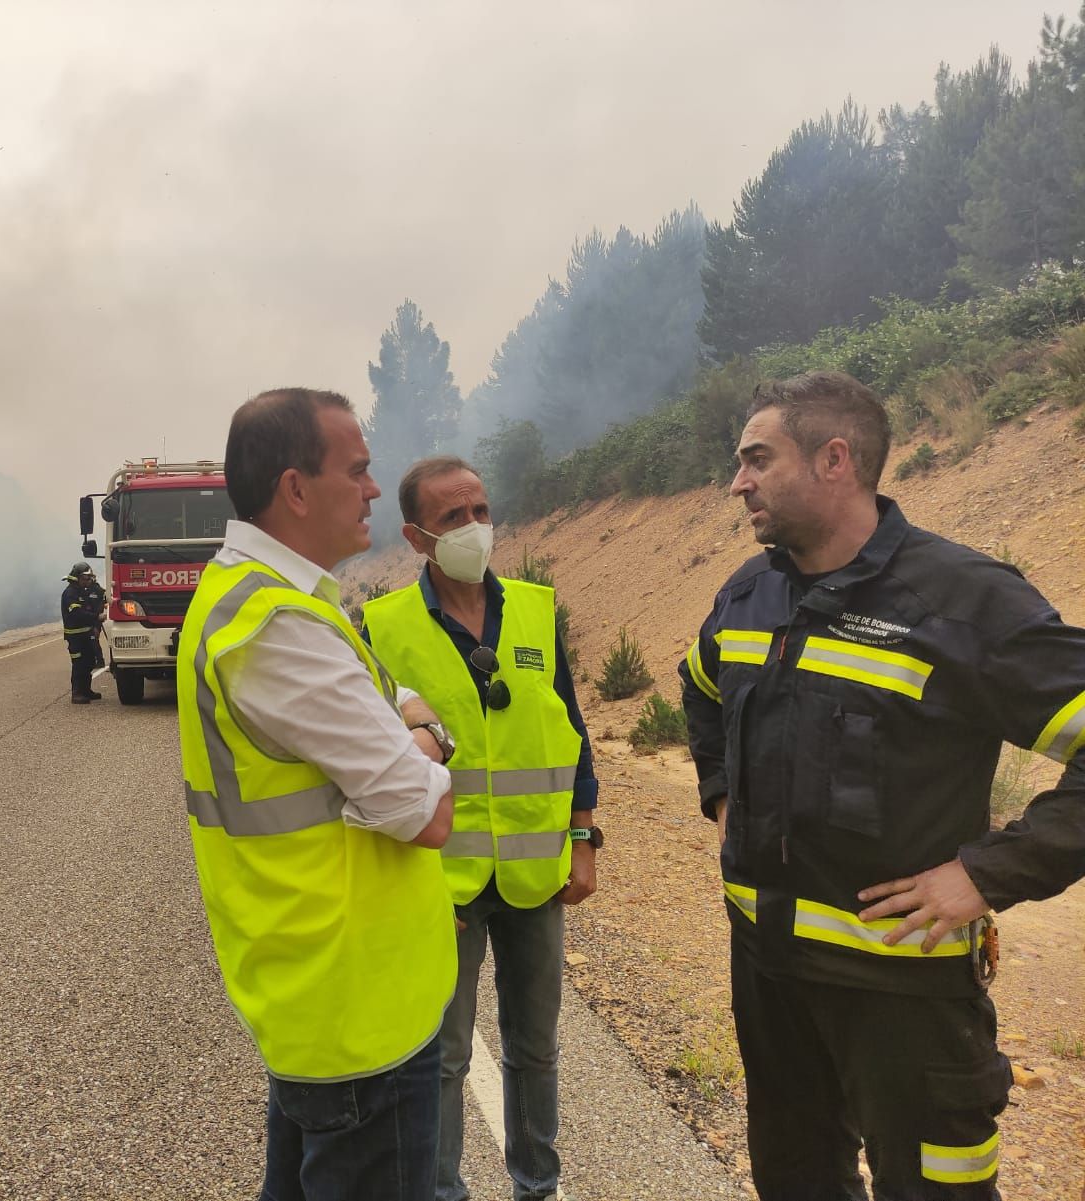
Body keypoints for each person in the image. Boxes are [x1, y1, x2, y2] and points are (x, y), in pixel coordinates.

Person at [678, 370, 1085, 1200]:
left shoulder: (965, 600)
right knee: (795, 1181)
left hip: (905, 995)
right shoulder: (750, 593)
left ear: (835, 459)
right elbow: (701, 683)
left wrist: (985, 873)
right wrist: (722, 791)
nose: (737, 483)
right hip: (770, 978)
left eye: (757, 459)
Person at [176, 388, 459, 1201]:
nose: (375, 488)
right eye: (359, 470)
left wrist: (403, 720)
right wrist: (432, 736)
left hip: (324, 1000)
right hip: (357, 1018)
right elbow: (425, 811)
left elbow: (382, 701)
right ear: (296, 489)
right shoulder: (279, 627)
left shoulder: (266, 596)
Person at [361, 456, 599, 1201]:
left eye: (481, 510)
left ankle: (538, 1184)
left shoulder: (534, 608)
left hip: (536, 871)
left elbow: (572, 729)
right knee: (444, 1057)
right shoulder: (381, 626)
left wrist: (585, 837)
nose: (474, 528)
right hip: (443, 882)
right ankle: (442, 1191)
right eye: (453, 518)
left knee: (536, 1048)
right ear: (416, 535)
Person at [61, 562, 103, 703]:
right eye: (85, 578)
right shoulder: (70, 593)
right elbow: (77, 614)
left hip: (86, 635)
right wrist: (96, 617)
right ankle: (77, 693)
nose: (88, 581)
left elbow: (91, 606)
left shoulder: (82, 591)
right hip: (75, 636)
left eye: (89, 578)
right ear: (77, 577)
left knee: (89, 662)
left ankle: (86, 690)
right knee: (79, 664)